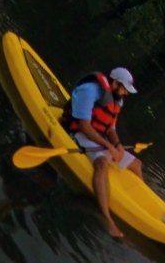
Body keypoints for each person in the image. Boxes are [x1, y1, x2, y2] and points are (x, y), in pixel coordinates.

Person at [59, 67, 142, 240]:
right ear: (115, 82)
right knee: (102, 164)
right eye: (124, 89)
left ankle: (140, 206)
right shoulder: (89, 91)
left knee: (137, 164)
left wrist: (117, 145)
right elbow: (84, 127)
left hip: (99, 137)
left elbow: (111, 128)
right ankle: (107, 218)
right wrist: (107, 146)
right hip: (80, 133)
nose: (125, 94)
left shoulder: (117, 100)